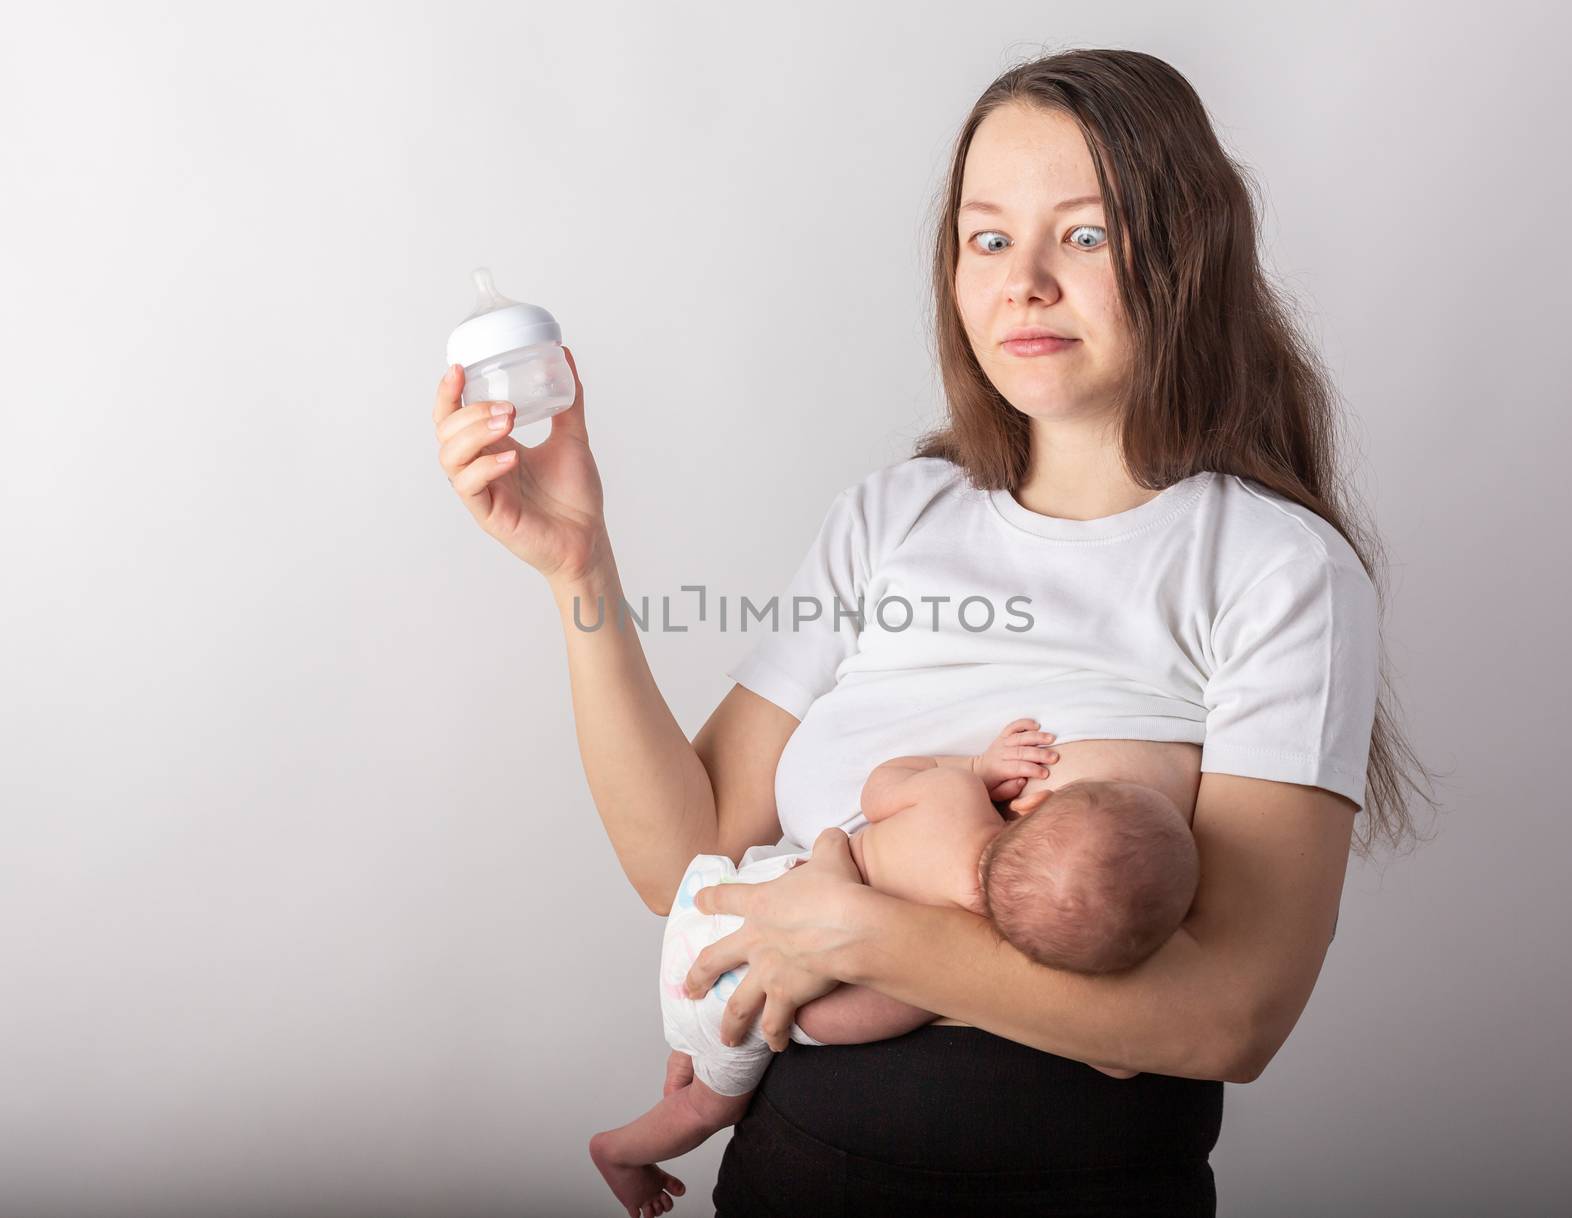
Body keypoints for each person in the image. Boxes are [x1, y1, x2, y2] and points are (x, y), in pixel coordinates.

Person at [433, 46, 1429, 1218]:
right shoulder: (894, 515)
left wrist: (865, 934)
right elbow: (683, 856)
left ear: (1187, 256)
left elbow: (1230, 1017)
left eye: (1088, 235)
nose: (1027, 283)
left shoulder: (1276, 570)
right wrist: (577, 565)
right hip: (789, 1177)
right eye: (988, 238)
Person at [588, 722, 1200, 1217]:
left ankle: (675, 1056)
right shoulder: (984, 946)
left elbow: (880, 789)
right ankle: (618, 1150)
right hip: (750, 981)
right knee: (709, 1109)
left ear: (1036, 801)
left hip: (739, 896)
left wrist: (975, 771)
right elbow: (817, 1023)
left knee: (716, 1042)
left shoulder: (952, 800)